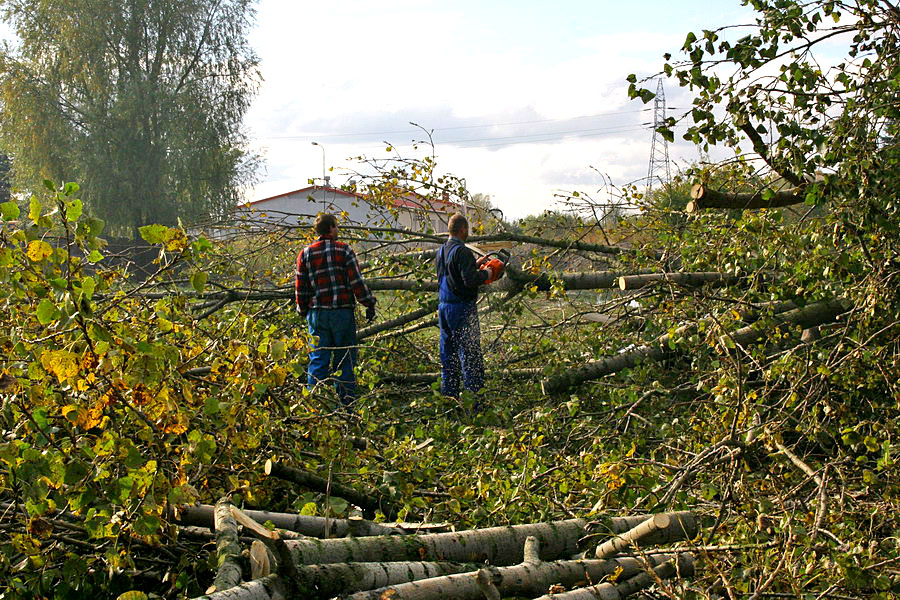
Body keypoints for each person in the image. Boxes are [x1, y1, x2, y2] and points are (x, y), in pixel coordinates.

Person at [295, 213, 376, 405]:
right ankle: (347, 406)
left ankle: (314, 405)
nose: (337, 230)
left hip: (317, 314)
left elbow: (301, 288)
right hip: (342, 313)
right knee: (344, 360)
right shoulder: (345, 251)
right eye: (336, 226)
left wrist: (303, 311)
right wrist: (369, 302)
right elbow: (357, 283)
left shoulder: (305, 254)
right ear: (331, 228)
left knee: (318, 359)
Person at [435, 213, 504, 399]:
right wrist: (488, 272)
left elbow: (453, 273)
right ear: (463, 229)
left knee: (448, 356)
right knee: (470, 356)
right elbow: (469, 280)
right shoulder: (463, 251)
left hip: (444, 309)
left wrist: (474, 264)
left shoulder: (442, 251)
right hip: (461, 309)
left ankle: (449, 398)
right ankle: (475, 403)